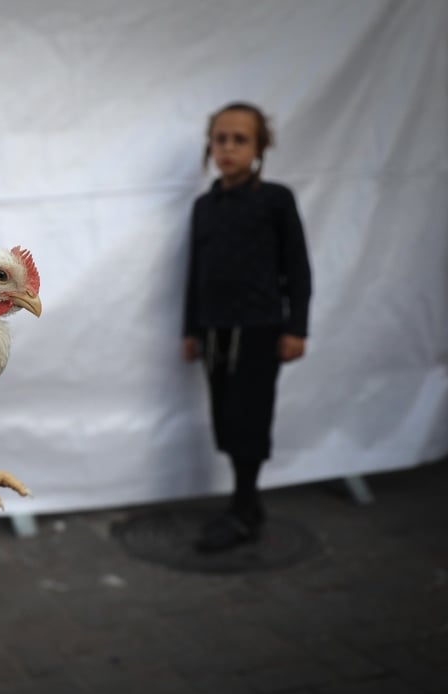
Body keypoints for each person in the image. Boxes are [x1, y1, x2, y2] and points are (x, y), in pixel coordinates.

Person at [181, 101, 312, 554]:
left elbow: (297, 268)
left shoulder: (275, 200)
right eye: (221, 139)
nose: (229, 148)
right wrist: (190, 329)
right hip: (215, 332)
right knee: (224, 416)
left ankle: (243, 509)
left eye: (240, 139)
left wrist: (297, 327)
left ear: (259, 147)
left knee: (249, 418)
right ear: (210, 146)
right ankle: (247, 504)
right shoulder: (205, 207)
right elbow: (195, 272)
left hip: (259, 331)